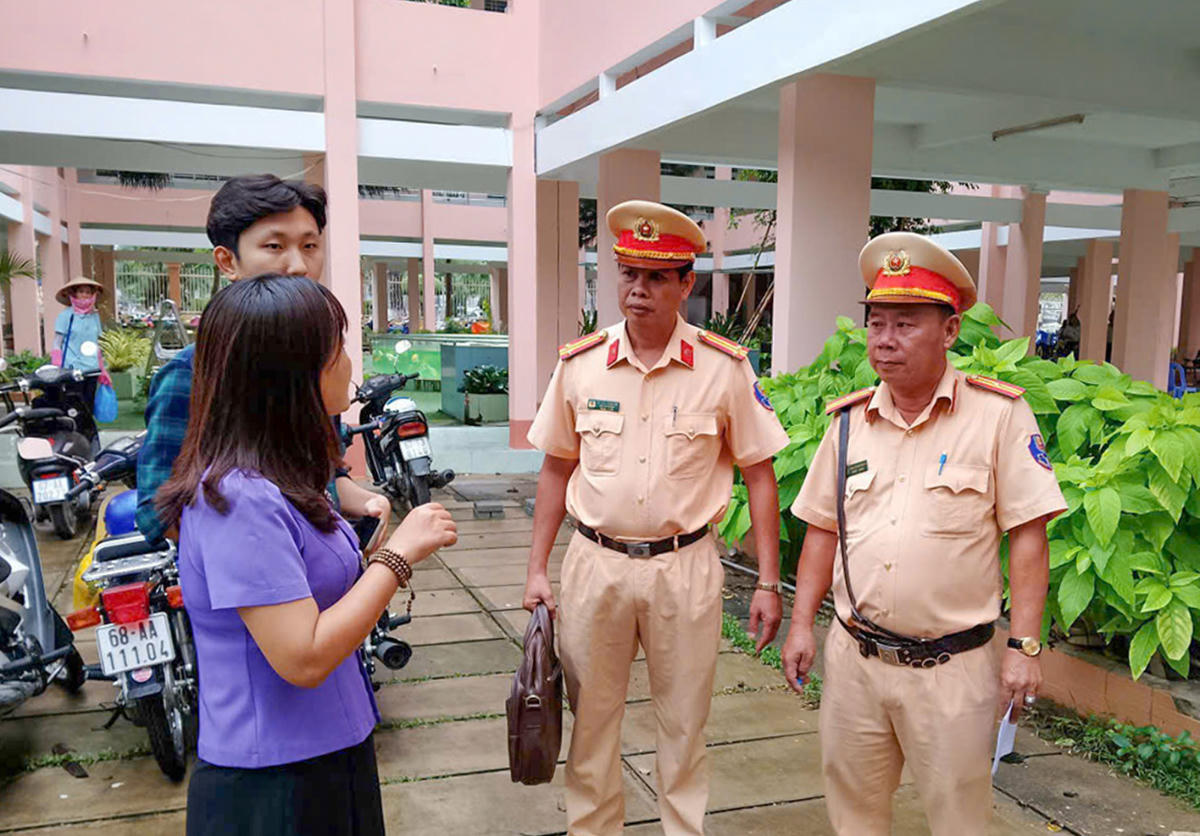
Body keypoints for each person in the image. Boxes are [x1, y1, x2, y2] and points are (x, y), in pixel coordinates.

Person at [780, 232, 1067, 836]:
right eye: (876, 323)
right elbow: (821, 532)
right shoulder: (849, 423)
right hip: (856, 660)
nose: (884, 340)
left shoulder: (998, 416)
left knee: (959, 819)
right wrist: (802, 624)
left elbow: (1028, 535)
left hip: (953, 670)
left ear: (950, 331)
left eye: (905, 324)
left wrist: (1024, 646)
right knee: (854, 814)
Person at [522, 200, 790, 835]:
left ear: (686, 284)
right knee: (590, 729)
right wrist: (536, 568)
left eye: (656, 277)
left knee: (684, 726)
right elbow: (557, 468)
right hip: (595, 566)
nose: (637, 290)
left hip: (685, 569)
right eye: (627, 274)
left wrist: (772, 584)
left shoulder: (724, 370)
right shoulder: (580, 364)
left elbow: (759, 474)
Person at [156, 276, 457, 835]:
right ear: (291, 374)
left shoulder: (289, 477)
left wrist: (368, 550)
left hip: (331, 752)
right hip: (274, 784)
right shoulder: (238, 500)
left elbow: (321, 599)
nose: (348, 362)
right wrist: (398, 556)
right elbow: (303, 657)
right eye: (337, 348)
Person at [136, 174, 388, 542]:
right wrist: (261, 539)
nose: (299, 265)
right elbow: (157, 514)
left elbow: (325, 477)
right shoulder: (190, 375)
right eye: (274, 246)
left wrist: (363, 502)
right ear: (227, 261)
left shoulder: (320, 367)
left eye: (310, 246)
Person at [51, 276, 112, 419]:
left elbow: (97, 344)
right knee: (73, 405)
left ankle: (87, 436)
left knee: (88, 405)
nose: (85, 295)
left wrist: (103, 370)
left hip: (92, 369)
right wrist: (56, 367)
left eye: (88, 292)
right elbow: (57, 343)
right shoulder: (66, 315)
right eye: (81, 291)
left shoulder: (94, 317)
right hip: (72, 369)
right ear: (74, 294)